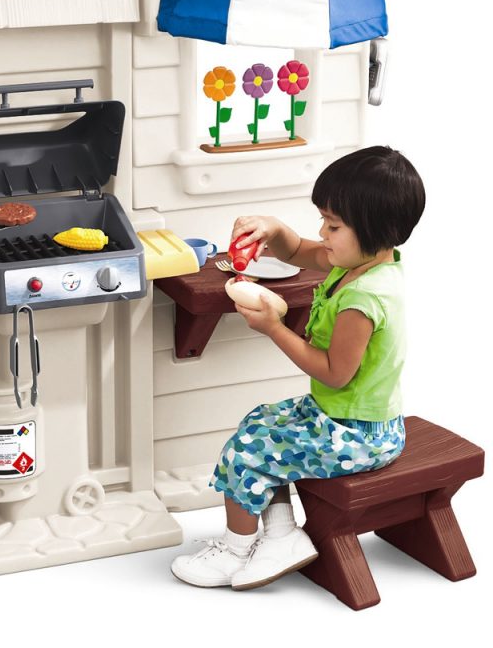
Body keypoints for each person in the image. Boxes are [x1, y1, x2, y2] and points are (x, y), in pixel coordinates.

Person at [171, 146, 425, 591]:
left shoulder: (364, 299)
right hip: (343, 418)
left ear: (374, 229)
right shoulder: (358, 264)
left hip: (357, 437)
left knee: (246, 452)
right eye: (323, 220)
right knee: (260, 422)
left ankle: (235, 549)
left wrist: (273, 327)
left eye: (333, 225)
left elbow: (334, 373)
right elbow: (302, 252)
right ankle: (282, 534)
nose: (322, 233)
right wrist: (273, 229)